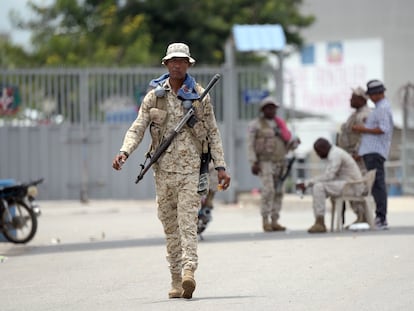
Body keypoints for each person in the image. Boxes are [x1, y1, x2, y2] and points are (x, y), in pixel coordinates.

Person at [112, 42, 231, 299]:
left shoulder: (200, 95)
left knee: (188, 222)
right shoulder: (155, 96)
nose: (177, 65)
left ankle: (189, 271)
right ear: (166, 64)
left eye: (182, 61)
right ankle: (176, 279)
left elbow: (213, 133)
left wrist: (220, 166)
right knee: (169, 226)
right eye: (173, 61)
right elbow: (138, 127)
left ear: (189, 64)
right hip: (162, 172)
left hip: (190, 171)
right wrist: (124, 151)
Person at [247, 96, 300, 232]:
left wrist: (294, 143)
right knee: (268, 190)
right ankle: (265, 220)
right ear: (263, 110)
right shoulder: (256, 125)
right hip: (265, 162)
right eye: (269, 108)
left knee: (278, 191)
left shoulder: (280, 125)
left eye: (274, 108)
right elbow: (250, 145)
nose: (272, 110)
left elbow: (288, 142)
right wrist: (253, 162)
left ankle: (275, 220)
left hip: (280, 162)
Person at [296, 138, 364, 233]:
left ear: (323, 149)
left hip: (352, 186)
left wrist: (307, 183)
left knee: (319, 187)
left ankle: (320, 222)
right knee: (319, 186)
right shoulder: (334, 153)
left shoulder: (335, 155)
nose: (318, 155)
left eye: (318, 152)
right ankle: (319, 221)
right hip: (348, 185)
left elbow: (329, 176)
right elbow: (329, 176)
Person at [352, 79, 393, 230]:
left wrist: (362, 129)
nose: (370, 98)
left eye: (371, 95)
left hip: (376, 152)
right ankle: (380, 217)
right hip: (371, 151)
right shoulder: (378, 108)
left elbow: (383, 129)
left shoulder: (382, 108)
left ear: (378, 94)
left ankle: (381, 218)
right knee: (375, 184)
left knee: (378, 184)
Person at [337, 87, 372, 225]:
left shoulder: (364, 115)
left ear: (362, 99)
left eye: (353, 98)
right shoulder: (354, 115)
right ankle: (360, 216)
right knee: (351, 187)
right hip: (349, 157)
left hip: (357, 158)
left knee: (357, 187)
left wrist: (358, 152)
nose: (350, 100)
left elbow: (366, 135)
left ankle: (363, 217)